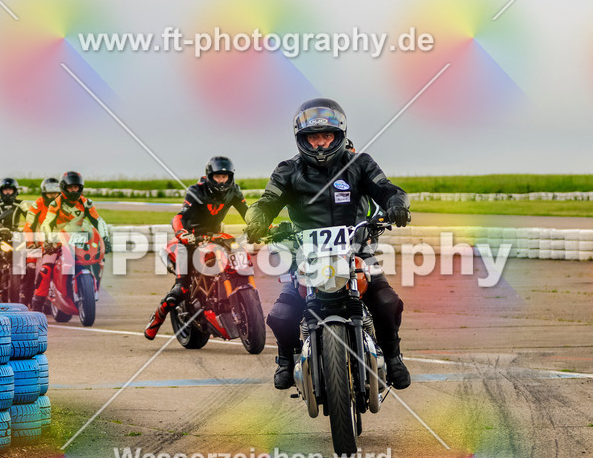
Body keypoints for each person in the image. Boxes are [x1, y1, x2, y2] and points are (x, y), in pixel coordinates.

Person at [244, 98, 413, 390]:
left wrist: (397, 204)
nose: (320, 143)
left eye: (326, 135)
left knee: (387, 301)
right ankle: (285, 360)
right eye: (313, 137)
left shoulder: (360, 164)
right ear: (301, 138)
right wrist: (256, 220)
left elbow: (387, 190)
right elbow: (265, 202)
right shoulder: (288, 170)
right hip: (305, 256)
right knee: (281, 315)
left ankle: (393, 357)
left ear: (339, 135)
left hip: (357, 252)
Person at [144, 156, 248, 339]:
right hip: (190, 239)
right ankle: (157, 318)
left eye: (225, 177)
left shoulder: (234, 191)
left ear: (231, 177)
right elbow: (179, 217)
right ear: (210, 176)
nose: (222, 181)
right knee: (181, 289)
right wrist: (182, 233)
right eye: (218, 177)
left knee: (236, 262)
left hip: (215, 236)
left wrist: (265, 226)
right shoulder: (196, 191)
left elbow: (249, 214)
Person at [29, 171, 105, 311]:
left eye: (76, 187)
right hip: (57, 240)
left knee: (99, 261)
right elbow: (47, 223)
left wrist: (105, 238)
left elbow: (97, 221)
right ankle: (37, 305)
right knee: (46, 268)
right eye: (70, 187)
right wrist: (48, 240)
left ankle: (92, 291)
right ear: (64, 187)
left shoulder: (86, 203)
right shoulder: (56, 203)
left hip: (78, 239)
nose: (74, 190)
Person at [19, 177, 61, 304]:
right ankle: (26, 298)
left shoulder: (64, 204)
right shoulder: (37, 205)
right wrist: (31, 243)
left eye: (55, 193)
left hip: (60, 242)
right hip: (39, 243)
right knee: (31, 267)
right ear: (44, 193)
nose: (53, 196)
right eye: (50, 194)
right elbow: (28, 226)